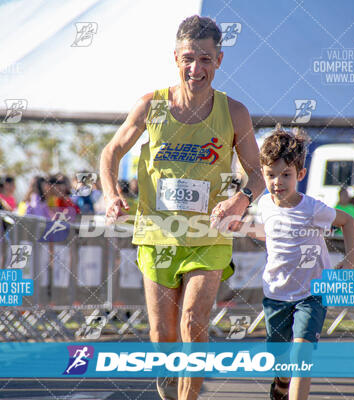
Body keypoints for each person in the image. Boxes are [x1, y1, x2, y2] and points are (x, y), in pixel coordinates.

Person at [99, 15, 265, 400]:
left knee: (193, 322)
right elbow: (111, 152)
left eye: (206, 59)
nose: (196, 68)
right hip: (157, 238)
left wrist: (241, 199)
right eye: (189, 58)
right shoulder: (151, 106)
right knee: (164, 336)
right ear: (175, 58)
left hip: (209, 237)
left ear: (219, 61)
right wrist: (111, 195)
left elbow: (257, 173)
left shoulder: (234, 113)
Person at [229, 126, 354, 400]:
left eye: (285, 174)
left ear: (300, 174)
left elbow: (348, 221)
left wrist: (350, 262)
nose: (277, 181)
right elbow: (269, 234)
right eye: (271, 175)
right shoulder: (263, 205)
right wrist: (242, 229)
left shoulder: (313, 208)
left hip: (312, 294)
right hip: (276, 293)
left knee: (301, 355)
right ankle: (281, 383)